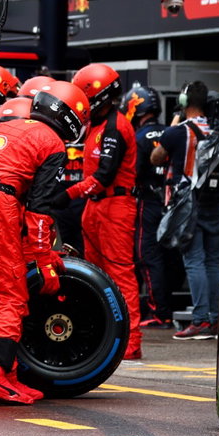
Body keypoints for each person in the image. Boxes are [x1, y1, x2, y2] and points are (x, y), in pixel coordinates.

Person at [0, 80, 84, 403]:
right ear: (70, 118)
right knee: (11, 293)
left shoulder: (2, 128)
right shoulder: (52, 142)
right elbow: (40, 204)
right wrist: (42, 256)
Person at [71, 62, 143, 358]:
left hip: (115, 206)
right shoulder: (96, 126)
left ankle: (132, 341)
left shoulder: (115, 127)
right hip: (95, 207)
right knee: (95, 273)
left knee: (119, 272)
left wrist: (68, 194)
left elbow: (105, 175)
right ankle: (102, 334)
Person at [152, 81, 219, 343]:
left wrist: (172, 125)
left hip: (187, 205)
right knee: (213, 261)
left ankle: (200, 319)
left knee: (193, 260)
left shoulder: (177, 132)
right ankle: (216, 318)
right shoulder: (218, 131)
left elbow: (156, 158)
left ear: (183, 103)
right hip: (214, 203)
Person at [124, 84, 172, 328]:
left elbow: (133, 173)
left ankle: (158, 312)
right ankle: (164, 308)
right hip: (171, 204)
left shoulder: (138, 138)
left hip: (148, 203)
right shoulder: (170, 133)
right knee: (167, 258)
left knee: (147, 256)